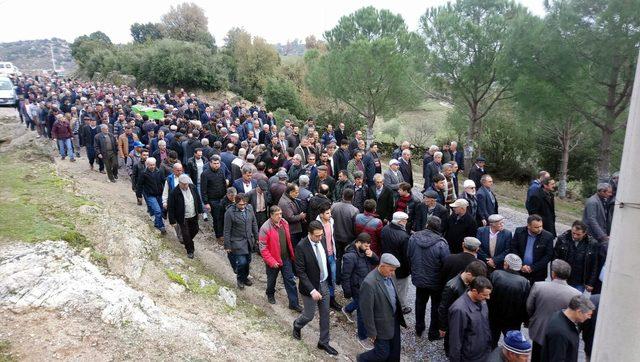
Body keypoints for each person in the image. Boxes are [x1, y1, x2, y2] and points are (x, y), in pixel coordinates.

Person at [292, 221, 338, 356]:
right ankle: (297, 324)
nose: (320, 238)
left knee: (325, 315)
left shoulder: (322, 240)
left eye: (321, 235)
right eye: (317, 236)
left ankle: (323, 342)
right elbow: (300, 271)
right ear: (309, 234)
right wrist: (312, 290)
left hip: (323, 284)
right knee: (309, 315)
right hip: (310, 287)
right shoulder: (301, 247)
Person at [526, 259, 581, 362]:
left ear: (553, 273)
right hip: (561, 336)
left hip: (539, 330)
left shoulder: (539, 286)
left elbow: (529, 307)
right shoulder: (576, 294)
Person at [357, 254, 407, 361]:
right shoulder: (369, 283)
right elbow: (366, 311)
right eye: (391, 270)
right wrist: (371, 332)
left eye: (394, 270)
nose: (393, 273)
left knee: (394, 353)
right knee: (382, 353)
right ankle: (361, 359)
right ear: (382, 266)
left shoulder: (390, 275)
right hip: (380, 326)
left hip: (394, 321)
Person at [407, 215, 450, 340]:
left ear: (427, 224)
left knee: (420, 303)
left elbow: (409, 256)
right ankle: (433, 333)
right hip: (436, 282)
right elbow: (446, 264)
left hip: (419, 279)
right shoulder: (442, 243)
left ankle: (419, 328)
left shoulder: (414, 238)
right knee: (436, 307)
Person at [438, 261, 488, 356]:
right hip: (453, 321)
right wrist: (442, 327)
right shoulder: (451, 286)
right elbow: (443, 308)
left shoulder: (468, 282)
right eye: (475, 279)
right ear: (469, 274)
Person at [258, 206, 301, 311]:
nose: (280, 216)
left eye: (280, 213)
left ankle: (294, 303)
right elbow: (263, 248)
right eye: (277, 214)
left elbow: (288, 240)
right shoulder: (265, 228)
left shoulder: (284, 223)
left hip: (285, 258)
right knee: (271, 280)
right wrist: (272, 261)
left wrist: (292, 255)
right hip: (273, 260)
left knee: (290, 280)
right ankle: (270, 294)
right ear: (271, 215)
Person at [341, 233, 379, 349]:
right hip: (357, 287)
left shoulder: (365, 252)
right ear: (358, 242)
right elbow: (345, 276)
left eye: (369, 246)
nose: (368, 248)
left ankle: (347, 309)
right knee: (363, 312)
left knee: (360, 304)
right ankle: (362, 337)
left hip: (365, 285)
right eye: (366, 246)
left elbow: (376, 261)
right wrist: (347, 292)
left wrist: (371, 254)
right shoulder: (350, 256)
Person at [488, 254, 531, 348]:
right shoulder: (524, 282)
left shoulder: (496, 274)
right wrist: (526, 320)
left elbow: (488, 295)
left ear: (506, 264)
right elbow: (526, 304)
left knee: (491, 343)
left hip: (494, 316)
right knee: (512, 344)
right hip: (513, 320)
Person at [448, 276, 493, 362]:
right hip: (470, 357)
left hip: (483, 352)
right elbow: (455, 341)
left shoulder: (482, 301)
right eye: (485, 295)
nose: (488, 298)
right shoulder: (459, 310)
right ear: (474, 291)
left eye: (489, 294)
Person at [542, 295, 595, 362]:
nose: (589, 317)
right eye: (588, 314)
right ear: (579, 312)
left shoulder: (560, 316)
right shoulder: (560, 333)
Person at [224, 193, 259, 289]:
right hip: (237, 241)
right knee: (242, 262)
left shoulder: (250, 208)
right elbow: (226, 230)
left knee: (248, 261)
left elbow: (254, 223)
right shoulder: (230, 212)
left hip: (248, 240)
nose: (243, 206)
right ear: (236, 202)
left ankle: (245, 277)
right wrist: (227, 246)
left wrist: (257, 238)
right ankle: (240, 279)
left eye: (244, 204)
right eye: (240, 204)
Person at [553, 221, 598, 292]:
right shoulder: (562, 239)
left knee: (576, 301)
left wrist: (590, 283)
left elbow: (594, 264)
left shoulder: (592, 244)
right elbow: (555, 258)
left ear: (584, 233)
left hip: (579, 281)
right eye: (573, 233)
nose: (575, 236)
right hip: (563, 278)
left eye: (578, 234)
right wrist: (553, 275)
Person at [380, 212, 412, 314]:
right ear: (401, 221)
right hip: (400, 267)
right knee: (401, 289)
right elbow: (406, 256)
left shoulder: (385, 229)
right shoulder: (404, 236)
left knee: (388, 284)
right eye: (405, 220)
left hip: (386, 262)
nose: (406, 222)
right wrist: (409, 269)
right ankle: (402, 307)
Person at [510, 214, 554, 283]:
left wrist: (532, 268)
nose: (540, 229)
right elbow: (513, 248)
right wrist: (520, 265)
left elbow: (548, 256)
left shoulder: (548, 236)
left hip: (538, 274)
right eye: (536, 227)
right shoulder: (519, 231)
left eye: (541, 226)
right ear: (528, 226)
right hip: (519, 270)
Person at [167, 174, 203, 259]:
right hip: (182, 217)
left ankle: (189, 241)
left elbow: (198, 199)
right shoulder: (174, 192)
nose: (185, 185)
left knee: (195, 230)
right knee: (186, 234)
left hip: (193, 214)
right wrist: (172, 221)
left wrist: (200, 211)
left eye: (187, 183)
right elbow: (171, 207)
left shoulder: (193, 187)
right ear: (179, 183)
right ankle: (190, 251)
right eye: (183, 184)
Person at [316, 204, 341, 311]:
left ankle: (331, 299)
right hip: (322, 256)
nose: (330, 215)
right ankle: (322, 298)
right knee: (322, 278)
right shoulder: (316, 225)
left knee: (332, 278)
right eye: (327, 213)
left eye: (330, 212)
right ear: (321, 215)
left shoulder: (331, 221)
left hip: (331, 254)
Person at [201, 155, 229, 240]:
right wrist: (206, 203)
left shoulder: (221, 171)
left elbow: (223, 184)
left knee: (224, 216)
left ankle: (224, 233)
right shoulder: (205, 174)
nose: (216, 165)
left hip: (223, 198)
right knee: (217, 218)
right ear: (210, 163)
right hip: (213, 200)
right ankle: (219, 235)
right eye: (214, 163)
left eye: (218, 163)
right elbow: (203, 190)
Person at [136, 157, 166, 234]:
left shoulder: (159, 171)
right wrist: (139, 195)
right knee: (157, 210)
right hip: (150, 195)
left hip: (159, 194)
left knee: (161, 210)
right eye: (150, 165)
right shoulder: (143, 173)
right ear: (147, 165)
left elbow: (164, 182)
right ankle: (161, 226)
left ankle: (157, 223)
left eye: (153, 165)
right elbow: (139, 185)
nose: (152, 166)